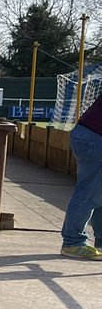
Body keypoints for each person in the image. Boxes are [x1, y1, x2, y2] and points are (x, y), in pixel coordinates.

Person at [61, 94, 102, 259]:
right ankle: (73, 242)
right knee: (90, 193)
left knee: (98, 192)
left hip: (90, 136)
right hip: (95, 138)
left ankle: (100, 242)